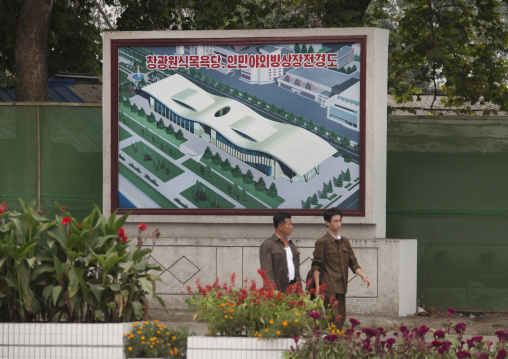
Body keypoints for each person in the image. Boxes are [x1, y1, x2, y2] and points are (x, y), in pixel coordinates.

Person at [311, 208, 371, 329]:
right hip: (328, 287)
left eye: (340, 220)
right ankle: (334, 342)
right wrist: (318, 287)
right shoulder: (322, 242)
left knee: (341, 317)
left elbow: (353, 263)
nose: (338, 224)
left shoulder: (345, 241)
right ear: (327, 222)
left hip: (341, 287)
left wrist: (363, 276)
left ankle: (334, 341)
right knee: (334, 318)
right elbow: (316, 266)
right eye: (335, 221)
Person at [259, 211, 301, 293]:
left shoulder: (292, 245)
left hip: (293, 290)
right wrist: (273, 292)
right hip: (278, 290)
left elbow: (296, 271)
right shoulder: (268, 245)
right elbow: (267, 272)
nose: (291, 227)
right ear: (280, 226)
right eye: (289, 224)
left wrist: (299, 290)